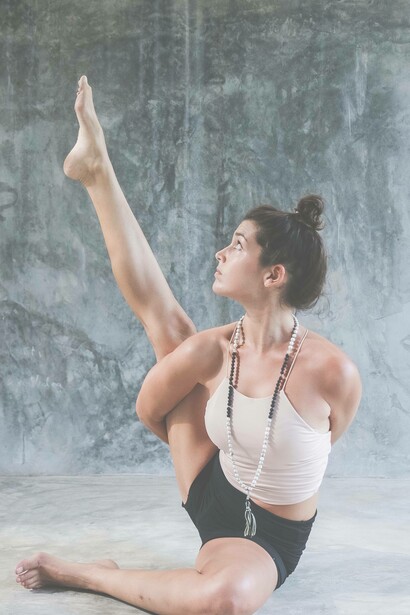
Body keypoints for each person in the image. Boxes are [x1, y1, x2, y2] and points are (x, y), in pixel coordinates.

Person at [14, 76, 362, 615]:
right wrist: (196, 438)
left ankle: (95, 575)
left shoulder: (333, 373)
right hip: (210, 487)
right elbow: (150, 408)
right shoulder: (216, 350)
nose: (221, 253)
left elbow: (322, 444)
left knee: (225, 600)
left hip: (271, 536)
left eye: (238, 245)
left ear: (274, 276)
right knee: (169, 325)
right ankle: (97, 170)